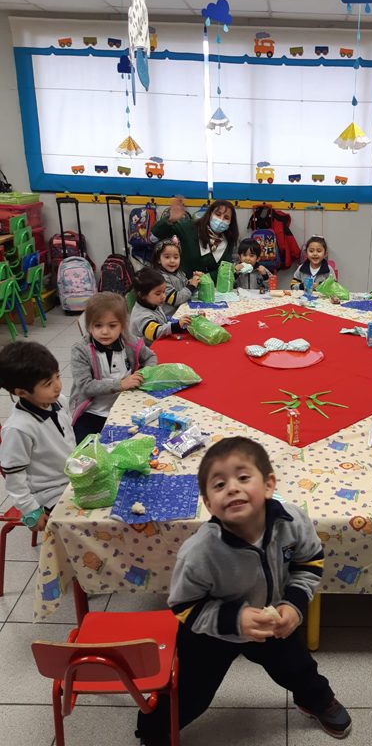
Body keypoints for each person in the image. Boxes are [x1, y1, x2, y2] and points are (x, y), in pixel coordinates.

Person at [135, 437, 352, 745]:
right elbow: (184, 606)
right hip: (210, 634)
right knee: (190, 691)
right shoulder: (198, 553)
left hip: (273, 619)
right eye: (219, 484)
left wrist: (294, 604)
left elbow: (309, 562)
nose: (232, 488)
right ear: (208, 503)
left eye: (243, 477)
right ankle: (154, 729)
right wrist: (235, 620)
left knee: (299, 668)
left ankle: (316, 699)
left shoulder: (293, 522)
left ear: (269, 484)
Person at [0, 342, 76, 532]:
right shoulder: (18, 429)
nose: (58, 386)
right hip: (49, 495)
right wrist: (31, 510)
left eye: (57, 376)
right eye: (48, 384)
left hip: (72, 478)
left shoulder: (59, 401)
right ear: (21, 393)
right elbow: (14, 478)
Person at [70, 292, 158, 443]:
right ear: (89, 326)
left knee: (143, 442)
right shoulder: (80, 350)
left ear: (122, 326)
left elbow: (151, 357)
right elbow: (85, 386)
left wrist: (143, 375)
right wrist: (120, 384)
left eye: (112, 325)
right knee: (86, 450)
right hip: (92, 412)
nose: (105, 331)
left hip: (127, 406)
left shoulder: (131, 342)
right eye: (98, 325)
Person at [151, 198, 239, 284]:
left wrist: (204, 278)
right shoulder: (190, 228)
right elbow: (155, 235)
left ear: (231, 222)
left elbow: (224, 269)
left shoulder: (229, 240)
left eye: (226, 217)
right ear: (210, 214)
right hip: (184, 286)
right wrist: (170, 219)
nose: (221, 219)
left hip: (212, 289)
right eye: (218, 214)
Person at [129, 267, 191, 347]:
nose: (163, 296)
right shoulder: (141, 316)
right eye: (158, 294)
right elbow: (156, 333)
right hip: (148, 351)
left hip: (159, 342)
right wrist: (177, 326)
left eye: (164, 292)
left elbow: (162, 322)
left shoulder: (152, 303)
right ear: (142, 295)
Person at [151, 236, 202, 317]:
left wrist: (195, 280)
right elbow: (175, 299)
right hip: (168, 317)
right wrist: (192, 286)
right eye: (167, 257)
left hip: (181, 311)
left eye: (176, 257)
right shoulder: (160, 279)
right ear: (158, 260)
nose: (172, 261)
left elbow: (186, 290)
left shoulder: (179, 273)